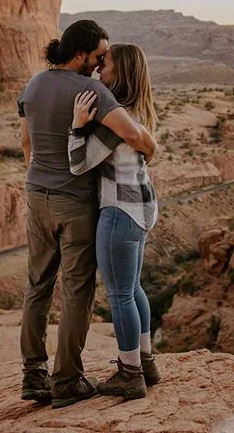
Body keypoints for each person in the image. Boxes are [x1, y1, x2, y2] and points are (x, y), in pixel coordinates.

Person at [17, 21, 157, 409]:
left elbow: (26, 143)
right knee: (77, 292)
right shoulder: (90, 89)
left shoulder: (33, 85)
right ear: (80, 53)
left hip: (36, 198)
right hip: (76, 203)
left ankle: (33, 374)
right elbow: (132, 134)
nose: (98, 66)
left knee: (38, 285)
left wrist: (40, 175)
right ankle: (66, 380)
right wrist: (150, 147)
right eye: (97, 56)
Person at [67, 42, 160, 400]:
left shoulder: (115, 118)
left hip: (120, 210)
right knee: (133, 288)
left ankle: (129, 374)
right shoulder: (140, 108)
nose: (98, 70)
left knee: (120, 294)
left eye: (104, 64)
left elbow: (79, 164)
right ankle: (146, 362)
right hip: (143, 207)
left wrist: (77, 126)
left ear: (119, 70)